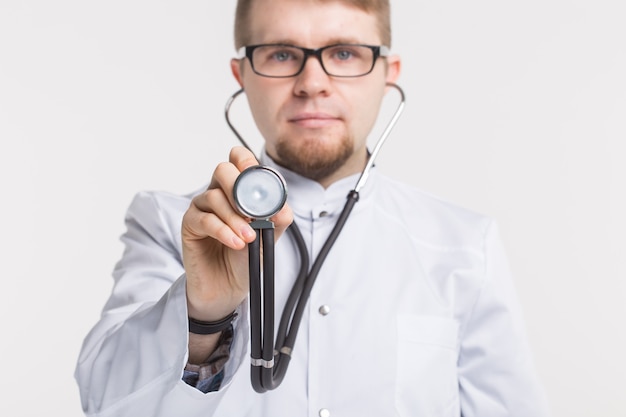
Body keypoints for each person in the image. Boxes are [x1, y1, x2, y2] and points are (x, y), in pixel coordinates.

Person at [74, 0, 551, 416]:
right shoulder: (169, 224)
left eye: (344, 53)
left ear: (390, 74)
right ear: (242, 75)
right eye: (282, 54)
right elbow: (107, 404)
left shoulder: (465, 244)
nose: (312, 82)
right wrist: (204, 316)